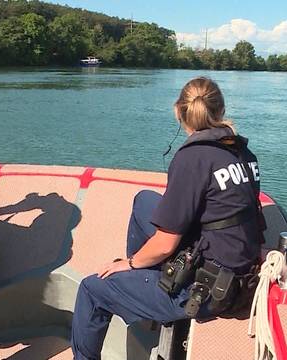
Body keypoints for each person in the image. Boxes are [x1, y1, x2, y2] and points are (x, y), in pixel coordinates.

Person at [70, 77, 263, 359]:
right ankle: (143, 283)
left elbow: (164, 244)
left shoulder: (192, 158)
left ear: (178, 112)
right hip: (235, 267)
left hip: (207, 290)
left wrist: (129, 263)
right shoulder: (243, 153)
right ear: (220, 111)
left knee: (92, 289)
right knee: (144, 201)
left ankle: (146, 285)